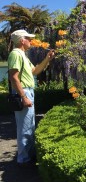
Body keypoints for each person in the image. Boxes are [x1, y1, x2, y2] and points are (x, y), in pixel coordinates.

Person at [8, 29, 55, 165]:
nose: (30, 41)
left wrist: (47, 58)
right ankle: (23, 159)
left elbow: (35, 71)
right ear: (22, 40)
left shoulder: (23, 55)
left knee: (29, 125)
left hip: (27, 91)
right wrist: (23, 96)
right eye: (28, 38)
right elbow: (13, 77)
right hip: (24, 92)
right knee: (25, 127)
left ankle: (29, 155)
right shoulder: (16, 54)